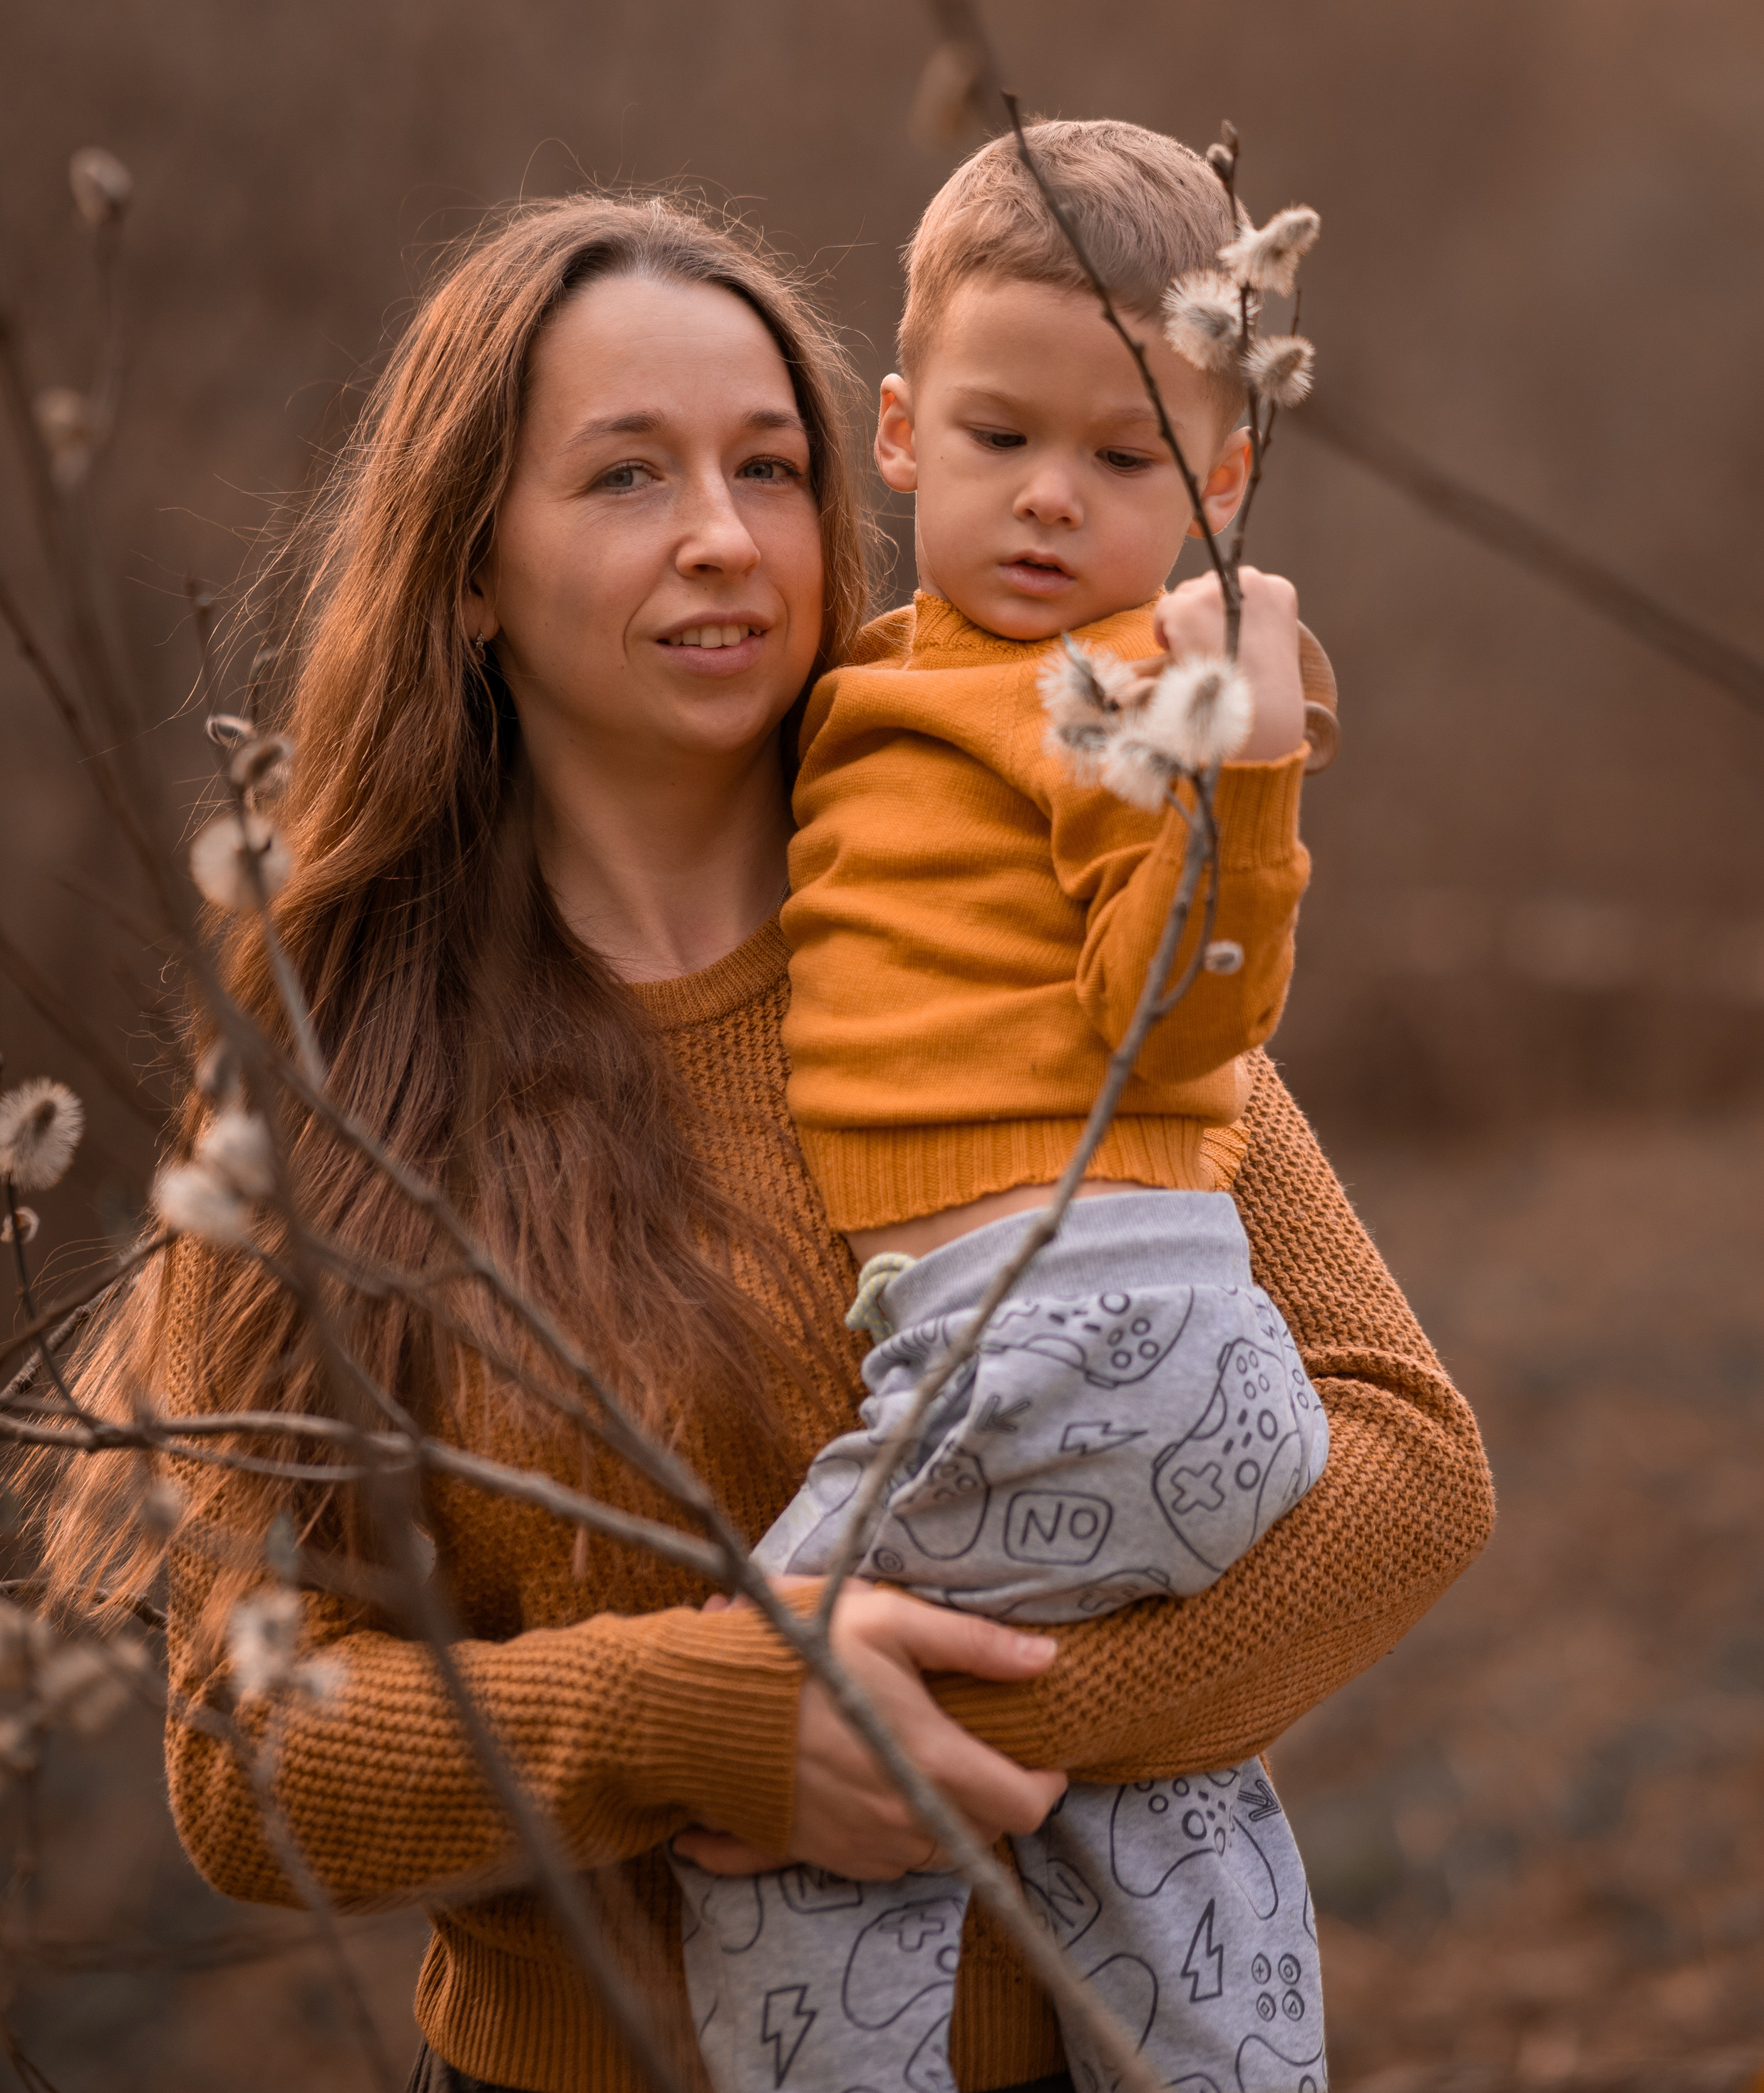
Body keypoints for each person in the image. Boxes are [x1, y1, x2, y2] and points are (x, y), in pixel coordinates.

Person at [38, 192, 1494, 2093]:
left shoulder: (1003, 887)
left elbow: (1409, 1454)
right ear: (471, 563)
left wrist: (953, 1743)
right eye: (628, 476)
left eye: (768, 468)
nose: (724, 535)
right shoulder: (330, 1078)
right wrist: (703, 1720)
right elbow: (248, 1760)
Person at [674, 121, 1332, 2093]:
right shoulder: (889, 684)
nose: (1054, 499)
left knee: (764, 1718)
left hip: (1071, 1321)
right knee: (1159, 1808)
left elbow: (1189, 1017)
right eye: (999, 438)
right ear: (896, 430)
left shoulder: (1123, 688)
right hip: (1103, 1357)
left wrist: (1246, 770)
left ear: (1220, 479)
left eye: (1126, 461)